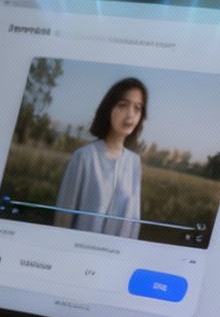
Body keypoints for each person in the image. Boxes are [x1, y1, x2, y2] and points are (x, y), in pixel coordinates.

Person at [52, 77, 148, 238]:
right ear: (109, 108)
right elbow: (62, 219)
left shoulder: (134, 163)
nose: (130, 115)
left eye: (137, 108)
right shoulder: (83, 157)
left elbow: (134, 221)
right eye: (123, 105)